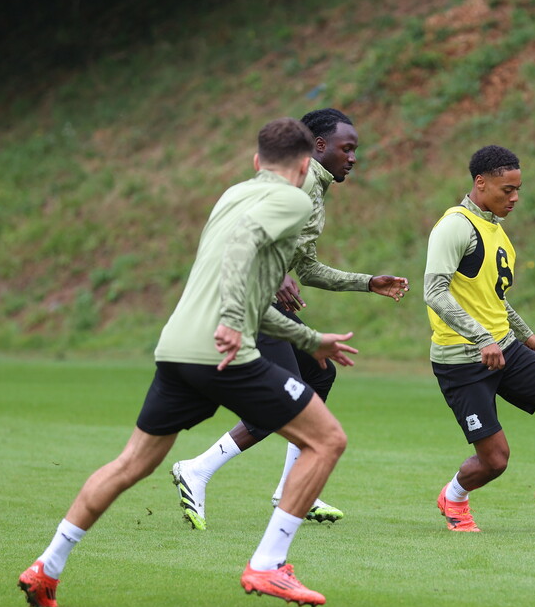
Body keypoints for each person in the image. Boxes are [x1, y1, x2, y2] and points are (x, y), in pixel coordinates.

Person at [18, 118, 356, 607]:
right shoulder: (297, 201)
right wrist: (234, 318)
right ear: (306, 164)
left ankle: (47, 567)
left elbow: (242, 282)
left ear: (256, 162)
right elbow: (243, 257)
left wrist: (309, 339)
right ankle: (268, 566)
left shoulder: (231, 195)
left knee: (130, 463)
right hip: (226, 351)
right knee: (327, 440)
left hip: (176, 347)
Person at [170, 108, 409, 530]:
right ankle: (197, 470)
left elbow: (309, 269)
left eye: (355, 150)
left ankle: (291, 489)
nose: (353, 158)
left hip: (265, 301)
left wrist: (367, 282)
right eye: (347, 148)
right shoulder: (296, 183)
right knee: (281, 400)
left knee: (319, 377)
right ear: (318, 148)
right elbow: (247, 228)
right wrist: (276, 272)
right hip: (249, 300)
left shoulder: (316, 191)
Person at [425, 145, 535, 533]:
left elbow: (494, 296)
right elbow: (435, 292)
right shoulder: (455, 226)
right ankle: (454, 497)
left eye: (518, 189)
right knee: (495, 461)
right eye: (507, 190)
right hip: (462, 359)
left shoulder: (497, 231)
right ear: (480, 182)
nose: (515, 198)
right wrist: (480, 338)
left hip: (503, 347)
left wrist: (526, 335)